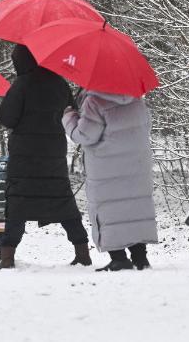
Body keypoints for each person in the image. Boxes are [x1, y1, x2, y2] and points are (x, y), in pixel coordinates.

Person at [0, 45, 92, 268]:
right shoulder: (59, 83)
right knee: (63, 202)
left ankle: (7, 257)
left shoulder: (21, 85)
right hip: (53, 155)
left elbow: (6, 118)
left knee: (18, 205)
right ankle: (82, 251)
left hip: (24, 157)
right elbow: (71, 110)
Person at [62, 90, 158, 271]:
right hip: (136, 163)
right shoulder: (136, 99)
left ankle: (119, 257)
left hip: (105, 165)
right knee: (133, 208)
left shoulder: (95, 101)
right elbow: (146, 126)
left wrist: (69, 116)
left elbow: (84, 135)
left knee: (110, 210)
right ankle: (140, 257)